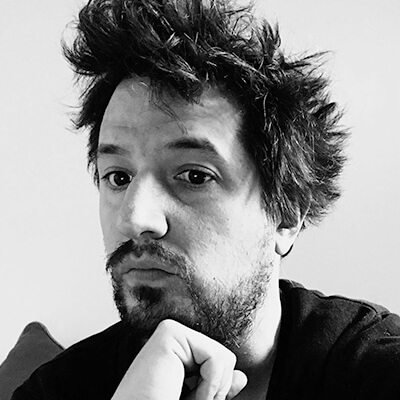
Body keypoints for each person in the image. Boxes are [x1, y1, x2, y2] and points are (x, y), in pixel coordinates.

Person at [12, 0, 400, 399]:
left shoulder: (376, 369)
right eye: (118, 177)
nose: (134, 218)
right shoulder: (56, 389)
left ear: (286, 214)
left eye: (195, 176)